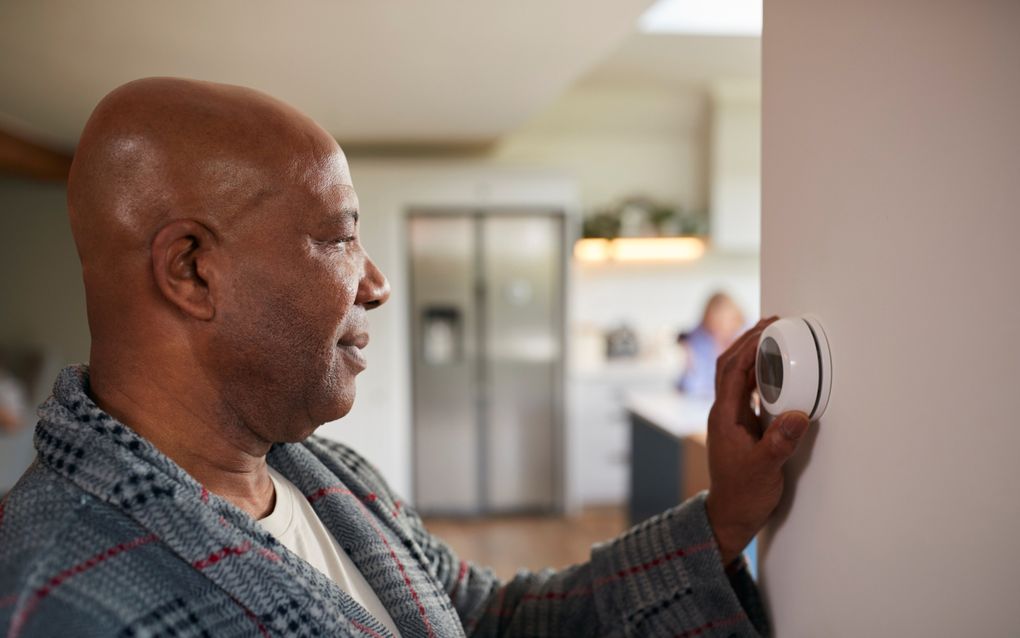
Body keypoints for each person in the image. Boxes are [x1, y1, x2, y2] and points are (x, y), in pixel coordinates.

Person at [0, 78, 811, 637]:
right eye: (340, 235)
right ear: (192, 270)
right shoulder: (64, 603)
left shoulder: (331, 476)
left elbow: (493, 623)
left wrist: (722, 517)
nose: (378, 283)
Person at [677, 292, 747, 398]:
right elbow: (689, 386)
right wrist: (689, 358)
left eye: (723, 324)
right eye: (713, 327)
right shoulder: (700, 341)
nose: (718, 333)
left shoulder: (747, 339)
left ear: (735, 321)